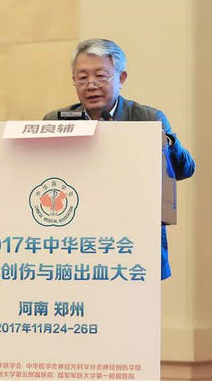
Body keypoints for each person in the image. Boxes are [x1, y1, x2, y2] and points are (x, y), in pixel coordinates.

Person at [44, 39, 195, 280]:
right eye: (82, 78)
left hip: (133, 243)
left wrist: (165, 143)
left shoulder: (148, 118)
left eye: (101, 76)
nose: (91, 85)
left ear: (121, 78)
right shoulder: (56, 121)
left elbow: (185, 169)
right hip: (77, 242)